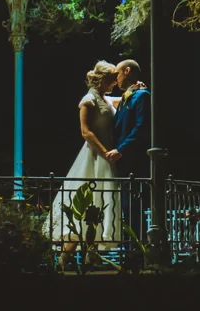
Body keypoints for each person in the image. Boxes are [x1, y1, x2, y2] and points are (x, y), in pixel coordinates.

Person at [48, 60, 123, 267]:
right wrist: (105, 152)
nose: (115, 82)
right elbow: (86, 132)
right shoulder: (89, 100)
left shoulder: (105, 99)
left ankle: (92, 256)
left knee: (99, 203)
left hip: (105, 157)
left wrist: (135, 88)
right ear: (102, 79)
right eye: (111, 79)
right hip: (95, 156)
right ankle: (64, 261)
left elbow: (122, 100)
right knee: (86, 203)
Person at [106, 59, 151, 244]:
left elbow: (141, 128)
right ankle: (130, 251)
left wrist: (121, 150)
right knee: (126, 208)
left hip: (133, 162)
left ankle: (138, 253)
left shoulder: (142, 96)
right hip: (124, 163)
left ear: (127, 71)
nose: (115, 80)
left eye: (117, 74)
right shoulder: (129, 96)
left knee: (132, 208)